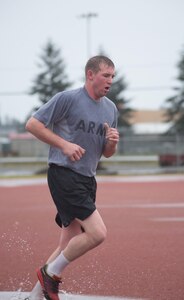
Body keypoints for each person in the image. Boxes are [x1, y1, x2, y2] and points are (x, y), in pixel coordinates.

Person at [25, 55, 119, 300]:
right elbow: (33, 125)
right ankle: (51, 275)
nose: (110, 80)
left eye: (112, 76)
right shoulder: (67, 99)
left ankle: (34, 296)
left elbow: (106, 154)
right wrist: (64, 145)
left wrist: (111, 144)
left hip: (88, 179)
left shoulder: (110, 108)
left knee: (67, 243)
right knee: (98, 233)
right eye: (105, 75)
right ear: (90, 74)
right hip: (63, 173)